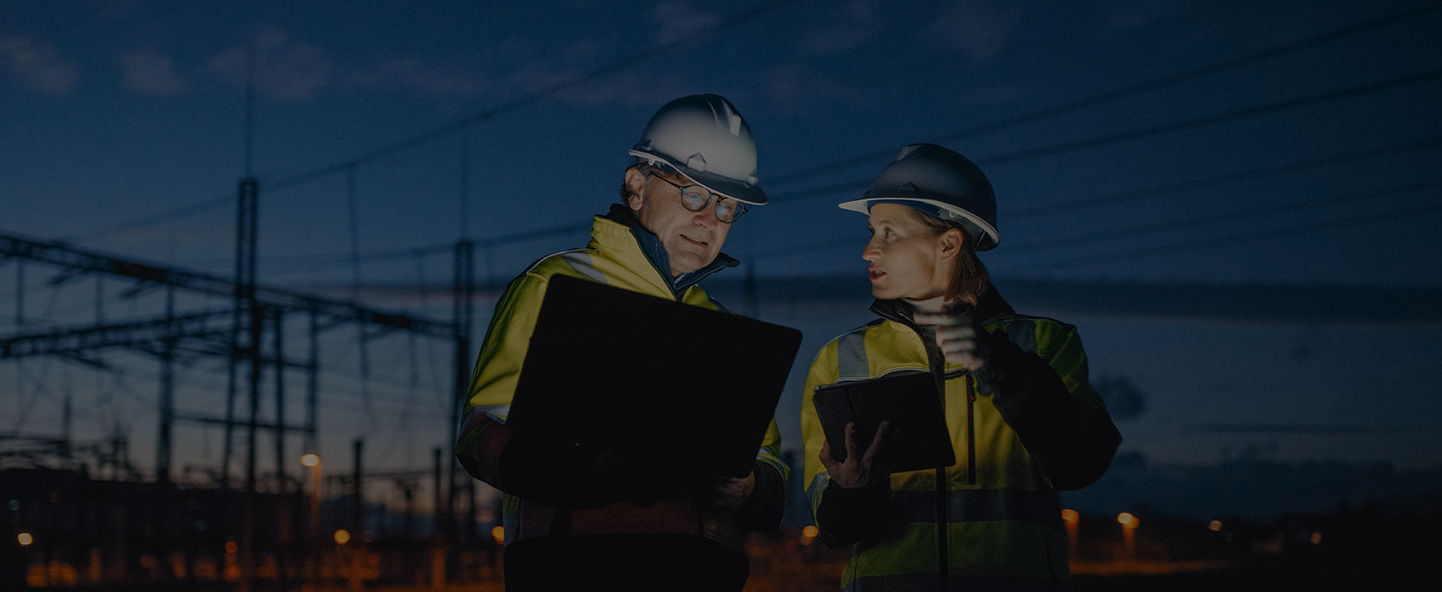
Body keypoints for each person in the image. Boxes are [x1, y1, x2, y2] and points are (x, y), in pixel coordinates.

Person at [454, 93, 788, 591]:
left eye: (726, 206)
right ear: (637, 186)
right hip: (575, 570)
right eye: (694, 195)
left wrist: (751, 488)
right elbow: (481, 434)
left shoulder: (721, 326)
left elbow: (767, 458)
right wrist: (580, 470)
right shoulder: (556, 284)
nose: (709, 220)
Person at [800, 143, 1122, 590]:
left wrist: (1000, 365)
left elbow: (1082, 463)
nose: (868, 251)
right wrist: (852, 492)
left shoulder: (1043, 343)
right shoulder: (839, 359)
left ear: (948, 242)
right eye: (871, 231)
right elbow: (832, 528)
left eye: (889, 232)